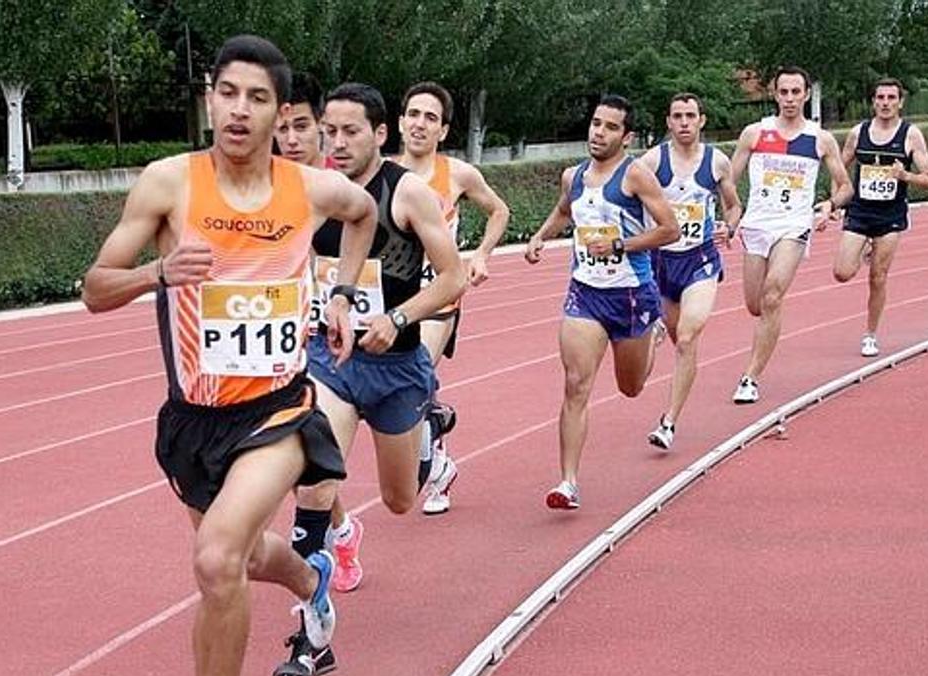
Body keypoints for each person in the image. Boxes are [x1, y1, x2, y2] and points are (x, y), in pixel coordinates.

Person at [79, 36, 379, 676]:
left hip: (279, 411)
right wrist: (156, 274)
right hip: (194, 418)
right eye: (228, 93)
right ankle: (310, 579)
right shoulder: (169, 183)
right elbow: (94, 289)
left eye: (258, 98)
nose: (240, 110)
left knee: (215, 562)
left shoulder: (310, 188)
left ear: (281, 113)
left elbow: (365, 212)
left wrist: (341, 294)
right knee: (238, 555)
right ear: (209, 101)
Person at [290, 83, 465, 599]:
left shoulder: (407, 192)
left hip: (396, 366)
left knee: (399, 498)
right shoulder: (315, 190)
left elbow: (452, 278)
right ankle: (318, 596)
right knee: (312, 474)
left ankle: (425, 441)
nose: (337, 143)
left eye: (350, 132)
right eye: (329, 132)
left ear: (379, 133)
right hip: (332, 359)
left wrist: (397, 316)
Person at [524, 94, 679, 509]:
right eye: (596, 123)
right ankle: (568, 482)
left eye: (610, 127)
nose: (599, 132)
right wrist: (540, 236)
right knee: (575, 385)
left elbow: (670, 230)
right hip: (585, 293)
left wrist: (621, 246)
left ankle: (652, 334)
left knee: (631, 387)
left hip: (631, 294)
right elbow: (563, 211)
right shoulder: (572, 176)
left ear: (626, 137)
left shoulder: (637, 177)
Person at [393, 81, 511, 515]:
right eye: (413, 114)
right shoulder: (384, 174)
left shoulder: (458, 175)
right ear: (400, 122)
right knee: (395, 390)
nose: (420, 124)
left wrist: (481, 254)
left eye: (430, 118)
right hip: (393, 301)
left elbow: (499, 210)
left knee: (411, 375)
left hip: (440, 298)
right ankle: (437, 443)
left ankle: (431, 430)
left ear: (443, 131)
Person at [729, 66, 853, 404]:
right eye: (783, 92)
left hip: (793, 226)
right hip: (756, 225)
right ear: (774, 94)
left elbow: (845, 186)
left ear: (806, 94)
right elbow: (727, 179)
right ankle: (762, 342)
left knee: (772, 296)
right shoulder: (755, 133)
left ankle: (750, 377)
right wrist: (731, 211)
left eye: (795, 92)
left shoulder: (819, 139)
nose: (789, 99)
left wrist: (828, 205)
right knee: (755, 305)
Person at [637, 92, 742, 449]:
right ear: (668, 122)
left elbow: (733, 205)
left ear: (701, 121)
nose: (684, 122)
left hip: (700, 261)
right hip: (660, 263)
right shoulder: (651, 162)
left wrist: (730, 225)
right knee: (668, 333)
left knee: (687, 337)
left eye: (690, 116)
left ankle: (669, 422)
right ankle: (656, 331)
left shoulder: (717, 163)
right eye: (677, 116)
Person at [832, 77, 928, 357]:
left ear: (900, 102)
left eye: (891, 98)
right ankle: (865, 245)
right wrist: (836, 202)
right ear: (873, 102)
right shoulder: (858, 133)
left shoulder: (911, 135)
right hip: (860, 210)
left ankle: (870, 334)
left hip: (890, 215)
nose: (885, 103)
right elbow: (839, 169)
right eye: (880, 98)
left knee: (878, 277)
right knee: (842, 273)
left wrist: (905, 175)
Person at [275, 71, 326, 168]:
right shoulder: (261, 179)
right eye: (283, 129)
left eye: (301, 127)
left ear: (321, 123)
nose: (291, 140)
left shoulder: (345, 176)